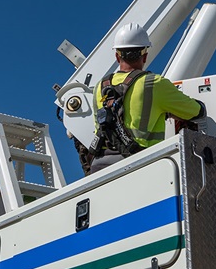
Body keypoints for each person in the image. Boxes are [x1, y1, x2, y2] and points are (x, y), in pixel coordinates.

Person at [88, 22, 205, 174]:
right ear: (145, 56)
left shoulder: (99, 87)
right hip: (139, 167)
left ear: (117, 56)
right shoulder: (154, 84)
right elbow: (197, 112)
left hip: (98, 168)